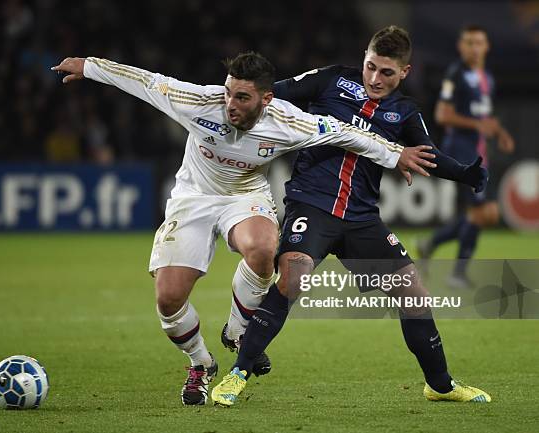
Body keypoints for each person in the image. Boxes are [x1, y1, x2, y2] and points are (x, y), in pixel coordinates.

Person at [52, 52, 436, 406]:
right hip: (192, 198)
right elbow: (146, 81)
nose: (230, 105)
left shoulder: (287, 121)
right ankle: (200, 363)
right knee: (168, 299)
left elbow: (344, 132)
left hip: (244, 196)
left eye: (242, 98)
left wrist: (395, 153)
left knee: (265, 248)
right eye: (229, 93)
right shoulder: (200, 101)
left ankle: (238, 332)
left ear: (265, 99)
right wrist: (88, 66)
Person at [211, 26, 491, 406]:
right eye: (370, 66)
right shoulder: (330, 80)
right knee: (293, 275)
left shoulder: (405, 112)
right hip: (311, 205)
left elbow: (426, 154)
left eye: (386, 73)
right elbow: (273, 93)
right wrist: (231, 102)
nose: (375, 79)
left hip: (361, 218)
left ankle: (440, 385)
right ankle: (238, 373)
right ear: (364, 57)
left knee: (414, 294)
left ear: (404, 73)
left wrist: (464, 173)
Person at [418, 25, 515, 287]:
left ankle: (431, 243)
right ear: (461, 47)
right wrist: (477, 126)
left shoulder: (487, 78)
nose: (474, 48)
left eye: (478, 43)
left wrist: (499, 132)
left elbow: (481, 117)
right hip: (460, 149)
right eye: (469, 43)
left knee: (487, 214)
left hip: (478, 149)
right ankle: (457, 273)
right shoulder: (455, 74)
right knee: (482, 212)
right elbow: (442, 115)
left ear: (487, 46)